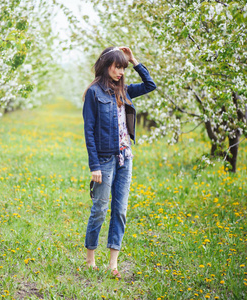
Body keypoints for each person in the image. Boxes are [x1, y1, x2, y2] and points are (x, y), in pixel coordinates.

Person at [82, 46, 156, 279]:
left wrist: (134, 60)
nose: (121, 72)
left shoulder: (125, 91)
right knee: (100, 209)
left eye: (123, 67)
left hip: (126, 157)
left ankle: (113, 264)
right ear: (106, 65)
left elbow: (150, 85)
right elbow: (89, 131)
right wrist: (94, 165)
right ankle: (90, 259)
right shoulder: (94, 93)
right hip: (104, 159)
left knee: (120, 210)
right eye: (117, 66)